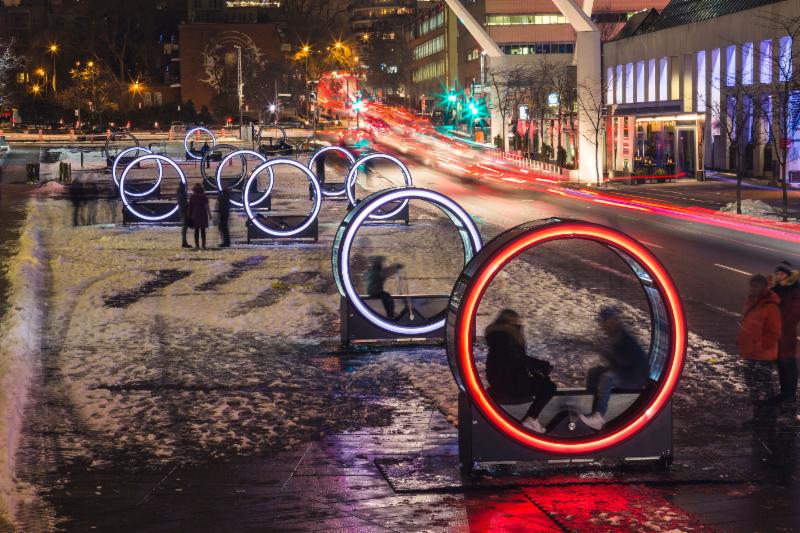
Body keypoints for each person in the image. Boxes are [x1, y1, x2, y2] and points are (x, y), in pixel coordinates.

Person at [579, 307, 650, 431]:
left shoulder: (624, 338)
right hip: (628, 372)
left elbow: (627, 363)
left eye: (604, 321)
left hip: (635, 378)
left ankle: (599, 417)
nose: (602, 325)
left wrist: (606, 355)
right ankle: (589, 406)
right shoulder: (615, 335)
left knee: (607, 377)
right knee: (594, 372)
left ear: (613, 321)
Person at [485, 309, 555, 433]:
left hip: (501, 381)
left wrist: (539, 370)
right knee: (549, 387)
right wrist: (543, 366)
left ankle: (531, 419)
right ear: (513, 321)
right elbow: (519, 361)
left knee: (543, 380)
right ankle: (531, 419)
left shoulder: (497, 337)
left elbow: (516, 362)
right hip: (510, 384)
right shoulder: (508, 337)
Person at [737, 274, 781, 414]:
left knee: (764, 383)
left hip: (763, 354)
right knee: (751, 382)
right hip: (750, 352)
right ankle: (757, 410)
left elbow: (774, 333)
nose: (752, 289)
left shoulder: (770, 307)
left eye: (756, 286)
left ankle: (771, 412)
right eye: (751, 285)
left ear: (763, 287)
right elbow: (747, 324)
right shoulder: (750, 302)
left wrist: (759, 347)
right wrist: (741, 339)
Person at [770, 262, 799, 403]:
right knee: (781, 363)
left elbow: (794, 313)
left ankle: (790, 394)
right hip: (777, 332)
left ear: (788, 275)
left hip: (786, 333)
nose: (779, 276)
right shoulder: (778, 288)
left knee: (788, 363)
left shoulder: (794, 290)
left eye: (782, 273)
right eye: (778, 273)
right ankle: (785, 393)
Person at [188, 182, 210, 249]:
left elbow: (190, 207)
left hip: (195, 215)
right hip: (203, 215)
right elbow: (207, 206)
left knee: (196, 231)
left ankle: (197, 245)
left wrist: (189, 215)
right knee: (203, 231)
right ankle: (203, 245)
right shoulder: (204, 196)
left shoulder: (192, 197)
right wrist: (210, 214)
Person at [177, 182, 190, 248]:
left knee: (184, 227)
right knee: (184, 227)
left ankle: (184, 241)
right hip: (184, 211)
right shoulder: (183, 194)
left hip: (181, 211)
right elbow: (185, 203)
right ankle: (184, 242)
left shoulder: (179, 194)